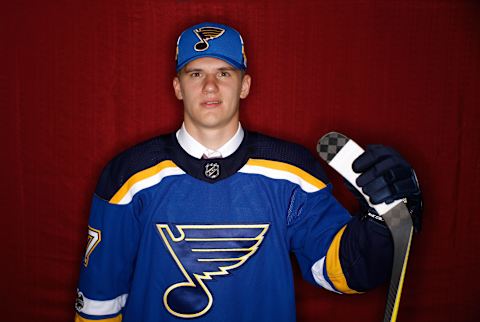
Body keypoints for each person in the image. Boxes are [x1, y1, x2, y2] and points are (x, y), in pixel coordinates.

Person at [74, 22, 422, 322]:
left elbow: (341, 272)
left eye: (224, 73)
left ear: (245, 85)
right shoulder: (128, 176)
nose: (210, 86)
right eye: (196, 73)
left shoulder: (292, 171)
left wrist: (381, 225)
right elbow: (99, 299)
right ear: (178, 86)